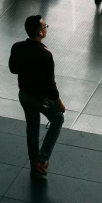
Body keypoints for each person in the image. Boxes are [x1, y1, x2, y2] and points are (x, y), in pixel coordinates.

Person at [9, 15, 65, 180]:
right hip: (40, 99)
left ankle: (35, 163)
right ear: (39, 33)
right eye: (44, 26)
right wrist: (59, 103)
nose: (46, 28)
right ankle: (42, 159)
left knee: (32, 128)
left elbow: (13, 69)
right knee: (58, 119)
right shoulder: (45, 56)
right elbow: (50, 85)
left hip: (24, 95)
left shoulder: (17, 47)